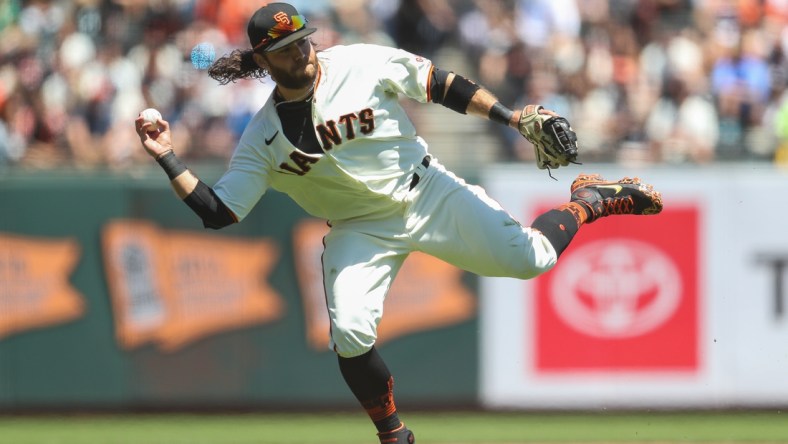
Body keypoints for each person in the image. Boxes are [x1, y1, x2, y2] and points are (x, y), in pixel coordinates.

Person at [135, 3, 663, 443]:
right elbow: (218, 212)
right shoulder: (262, 137)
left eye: (303, 40)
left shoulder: (359, 63)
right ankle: (394, 434)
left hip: (426, 190)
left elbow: (438, 83)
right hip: (358, 228)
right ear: (265, 62)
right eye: (287, 49)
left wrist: (510, 117)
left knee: (531, 259)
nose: (302, 51)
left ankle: (589, 200)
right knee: (348, 332)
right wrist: (167, 157)